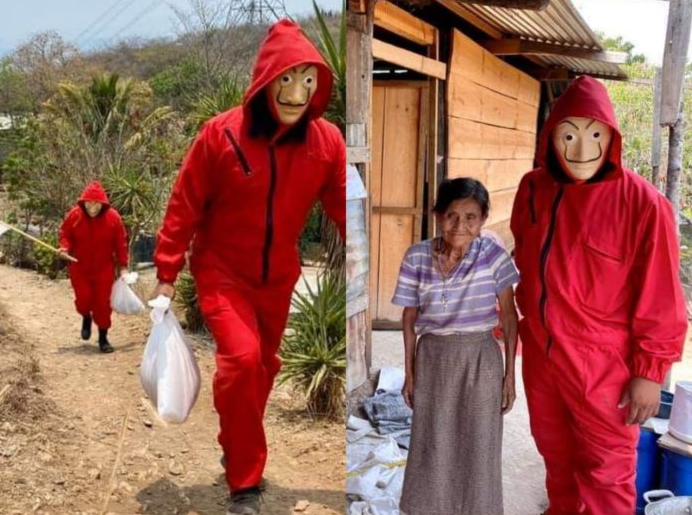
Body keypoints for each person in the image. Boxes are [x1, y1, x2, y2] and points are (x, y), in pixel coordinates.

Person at [151, 19, 345, 515]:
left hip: (278, 276)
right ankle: (245, 483)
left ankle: (236, 441)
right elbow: (184, 205)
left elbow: (349, 209)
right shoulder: (221, 135)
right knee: (239, 361)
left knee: (263, 367)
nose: (297, 93)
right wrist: (168, 274)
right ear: (266, 79)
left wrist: (370, 259)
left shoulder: (325, 143)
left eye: (308, 80)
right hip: (222, 271)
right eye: (287, 78)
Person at [510, 75, 687, 515]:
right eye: (568, 134)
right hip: (542, 356)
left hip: (604, 365)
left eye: (594, 134)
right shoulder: (533, 188)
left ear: (612, 137)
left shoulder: (644, 204)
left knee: (607, 475)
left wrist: (649, 372)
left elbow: (663, 297)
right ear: (551, 136)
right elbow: (522, 260)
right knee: (556, 460)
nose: (581, 148)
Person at [393, 177, 519, 515]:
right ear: (437, 215)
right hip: (434, 357)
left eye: (470, 217)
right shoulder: (417, 257)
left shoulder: (493, 255)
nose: (459, 225)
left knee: (480, 442)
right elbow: (409, 319)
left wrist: (510, 378)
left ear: (482, 220)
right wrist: (409, 372)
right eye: (451, 215)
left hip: (480, 358)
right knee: (433, 441)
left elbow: (509, 317)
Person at [58, 181, 129, 353]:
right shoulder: (74, 215)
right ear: (83, 202)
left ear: (103, 204)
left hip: (104, 268)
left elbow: (121, 244)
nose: (92, 208)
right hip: (79, 267)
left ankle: (103, 338)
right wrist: (63, 248)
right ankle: (85, 316)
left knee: (103, 303)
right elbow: (65, 234)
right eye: (89, 203)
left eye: (97, 204)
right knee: (83, 299)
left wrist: (123, 266)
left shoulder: (113, 218)